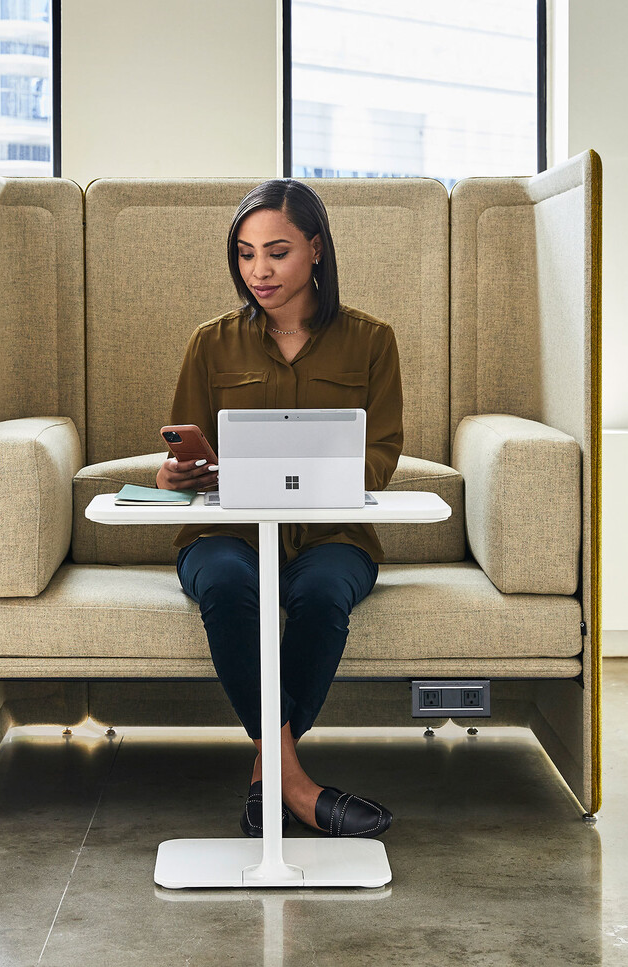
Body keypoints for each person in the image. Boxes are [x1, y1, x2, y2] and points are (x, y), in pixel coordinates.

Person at [157, 179, 403, 839]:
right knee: (230, 581)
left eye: (277, 252)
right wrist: (176, 471)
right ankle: (296, 783)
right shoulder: (211, 343)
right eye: (245, 254)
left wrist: (303, 474)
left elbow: (380, 456)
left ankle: (272, 771)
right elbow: (191, 450)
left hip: (333, 534)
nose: (258, 271)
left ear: (316, 250)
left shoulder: (372, 341)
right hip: (224, 531)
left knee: (324, 594)